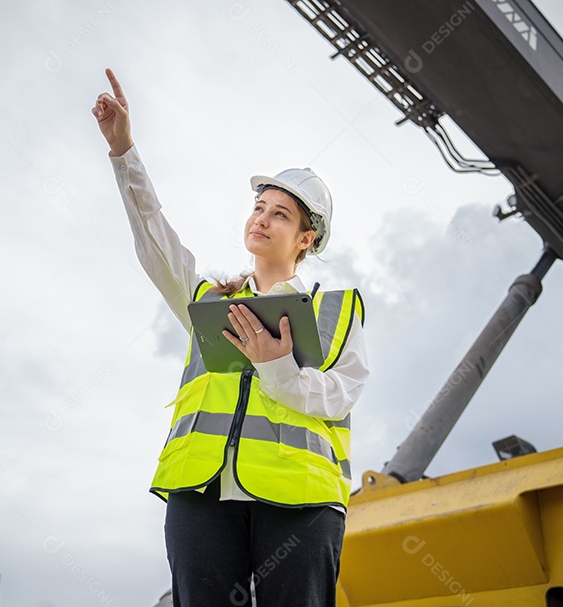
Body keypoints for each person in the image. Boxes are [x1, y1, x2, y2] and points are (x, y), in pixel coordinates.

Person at [92, 68, 368, 607]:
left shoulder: (336, 310)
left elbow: (341, 394)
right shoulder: (208, 301)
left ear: (305, 237)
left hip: (302, 504)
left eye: (279, 214)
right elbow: (153, 237)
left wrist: (279, 369)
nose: (261, 220)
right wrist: (124, 152)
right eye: (259, 208)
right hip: (203, 493)